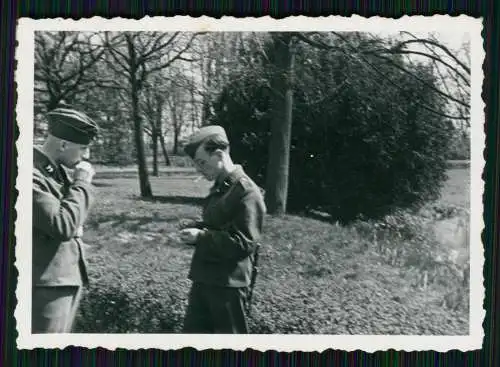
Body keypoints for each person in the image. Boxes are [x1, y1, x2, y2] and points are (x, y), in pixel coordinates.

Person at [179, 125, 266, 333]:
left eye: (202, 162)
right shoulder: (222, 187)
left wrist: (201, 237)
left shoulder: (246, 191)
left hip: (228, 287)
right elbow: (219, 225)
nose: (199, 169)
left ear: (219, 154)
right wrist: (197, 227)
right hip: (206, 279)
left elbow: (244, 243)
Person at [32, 106, 99, 333]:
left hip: (61, 280)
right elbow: (63, 225)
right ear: (63, 145)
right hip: (45, 285)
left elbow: (69, 219)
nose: (86, 156)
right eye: (83, 148)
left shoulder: (54, 172)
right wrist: (82, 182)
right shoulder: (30, 174)